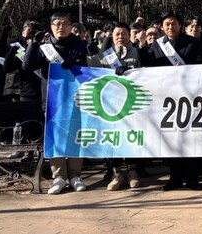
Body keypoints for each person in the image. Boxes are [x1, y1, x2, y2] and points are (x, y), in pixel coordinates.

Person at [22, 12, 88, 195]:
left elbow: (92, 69)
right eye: (57, 23)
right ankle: (59, 176)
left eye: (65, 23)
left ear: (71, 26)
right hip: (53, 101)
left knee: (76, 137)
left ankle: (75, 175)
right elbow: (27, 66)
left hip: (78, 100)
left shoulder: (80, 45)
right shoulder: (45, 47)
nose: (61, 27)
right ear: (51, 27)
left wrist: (76, 64)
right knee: (55, 137)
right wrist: (34, 43)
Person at [142, 11, 202, 191]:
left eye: (174, 23)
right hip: (165, 99)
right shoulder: (157, 45)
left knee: (191, 138)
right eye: (167, 24)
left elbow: (201, 65)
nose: (171, 27)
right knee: (170, 139)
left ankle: (192, 178)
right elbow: (147, 67)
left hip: (189, 96)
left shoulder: (192, 42)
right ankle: (175, 177)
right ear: (162, 27)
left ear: (180, 25)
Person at [87, 21, 143, 190]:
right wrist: (91, 55)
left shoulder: (138, 52)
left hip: (132, 103)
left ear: (129, 35)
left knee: (131, 137)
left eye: (124, 33)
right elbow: (95, 72)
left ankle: (133, 172)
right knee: (112, 138)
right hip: (109, 103)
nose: (120, 37)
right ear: (112, 36)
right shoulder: (106, 54)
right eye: (117, 34)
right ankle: (117, 173)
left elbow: (145, 72)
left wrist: (130, 71)